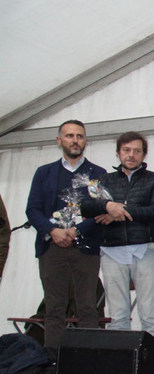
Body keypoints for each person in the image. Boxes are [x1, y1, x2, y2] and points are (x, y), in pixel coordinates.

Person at [25, 120, 106, 352]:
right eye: (70, 136)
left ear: (86, 140)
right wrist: (53, 231)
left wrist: (77, 230)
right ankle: (53, 363)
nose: (75, 140)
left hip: (86, 250)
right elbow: (32, 210)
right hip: (52, 249)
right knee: (54, 310)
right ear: (59, 140)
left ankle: (86, 362)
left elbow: (102, 211)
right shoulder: (44, 173)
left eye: (79, 136)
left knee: (87, 308)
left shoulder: (98, 174)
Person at [80, 131, 154, 341]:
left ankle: (153, 362)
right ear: (118, 153)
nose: (131, 155)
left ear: (144, 154)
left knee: (150, 317)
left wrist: (119, 212)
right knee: (118, 317)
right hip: (112, 252)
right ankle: (119, 362)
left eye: (137, 151)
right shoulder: (104, 180)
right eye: (126, 150)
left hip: (146, 250)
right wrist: (108, 206)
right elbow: (86, 206)